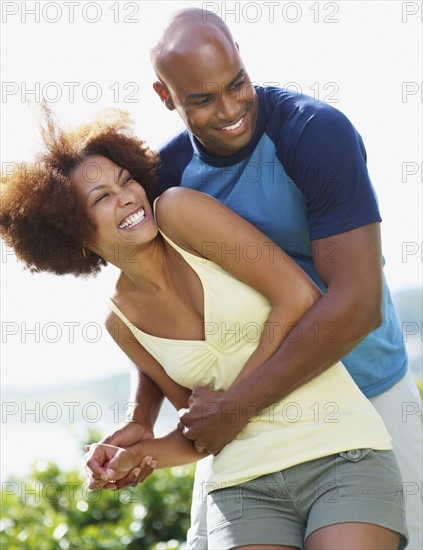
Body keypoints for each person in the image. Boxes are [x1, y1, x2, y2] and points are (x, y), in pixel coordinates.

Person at [0, 109, 408, 549]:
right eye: (101, 197)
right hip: (243, 487)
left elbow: (300, 296)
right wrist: (136, 457)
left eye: (126, 180)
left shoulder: (180, 212)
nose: (128, 197)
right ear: (72, 232)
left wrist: (233, 406)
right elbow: (200, 433)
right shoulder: (121, 324)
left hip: (340, 450)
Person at [94, 7, 422, 549]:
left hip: (365, 395)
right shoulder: (170, 180)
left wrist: (235, 406)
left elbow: (357, 304)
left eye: (236, 84)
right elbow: (160, 308)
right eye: (201, 99)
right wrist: (141, 416)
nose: (229, 109)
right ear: (165, 96)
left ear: (241, 57)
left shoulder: (316, 134)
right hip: (250, 423)